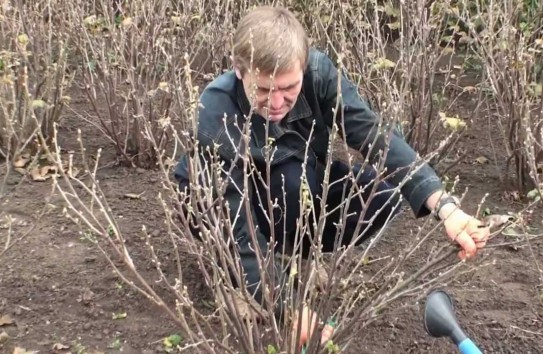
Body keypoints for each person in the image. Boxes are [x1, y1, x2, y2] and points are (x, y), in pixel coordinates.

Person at [174, 5, 490, 348]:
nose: (278, 102)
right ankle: (240, 282)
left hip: (293, 188)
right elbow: (233, 222)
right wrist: (288, 308)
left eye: (289, 87)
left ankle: (289, 257)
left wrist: (446, 207)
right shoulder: (216, 109)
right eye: (264, 90)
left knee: (380, 196)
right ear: (239, 70)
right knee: (289, 184)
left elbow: (376, 137)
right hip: (224, 207)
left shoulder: (318, 74)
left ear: (303, 66)